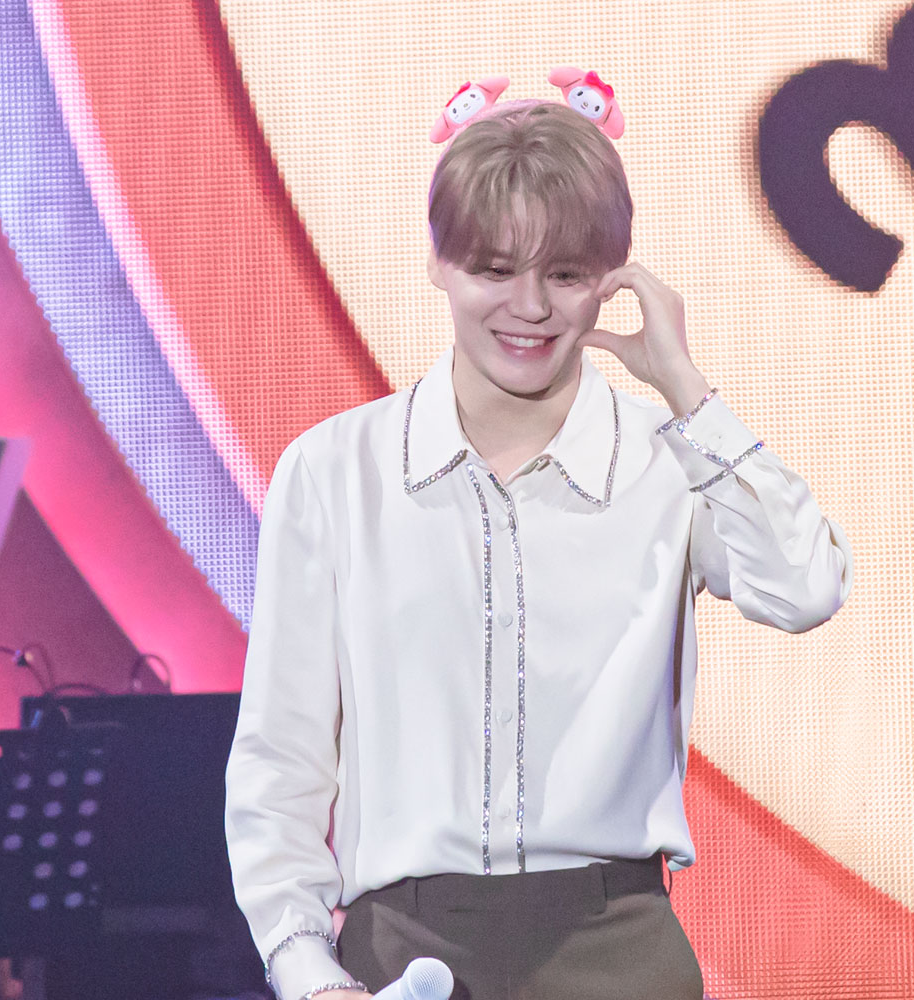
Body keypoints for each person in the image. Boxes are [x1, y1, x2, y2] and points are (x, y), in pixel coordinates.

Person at [225, 83, 852, 1000]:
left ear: (611, 277)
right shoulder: (334, 471)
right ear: (438, 263)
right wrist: (307, 971)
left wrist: (687, 389)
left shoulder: (666, 461)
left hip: (616, 949)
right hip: (401, 950)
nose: (528, 308)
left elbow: (805, 587)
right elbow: (282, 758)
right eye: (493, 269)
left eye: (564, 274)